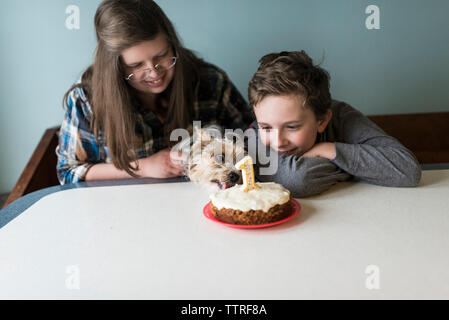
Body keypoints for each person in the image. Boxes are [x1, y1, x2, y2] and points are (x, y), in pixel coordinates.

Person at [56, 0, 253, 184]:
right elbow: (69, 172)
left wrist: (212, 156)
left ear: (173, 45)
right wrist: (143, 167)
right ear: (115, 67)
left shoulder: (210, 82)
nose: (154, 72)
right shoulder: (88, 98)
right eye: (136, 65)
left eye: (162, 56)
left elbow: (253, 139)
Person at [246, 50, 421, 197]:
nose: (278, 141)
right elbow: (297, 181)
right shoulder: (252, 140)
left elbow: (408, 170)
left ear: (322, 120)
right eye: (266, 127)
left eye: (292, 127)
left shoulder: (342, 116)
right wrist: (352, 169)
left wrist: (328, 150)